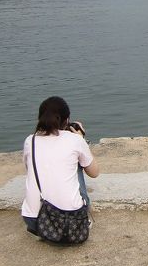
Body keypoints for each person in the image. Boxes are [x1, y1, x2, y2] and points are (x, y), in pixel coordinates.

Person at [21, 96, 99, 238]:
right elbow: (94, 173)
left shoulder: (29, 141)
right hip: (71, 222)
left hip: (34, 221)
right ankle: (80, 219)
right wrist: (82, 140)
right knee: (77, 163)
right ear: (67, 120)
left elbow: (29, 169)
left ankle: (45, 231)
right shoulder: (75, 140)